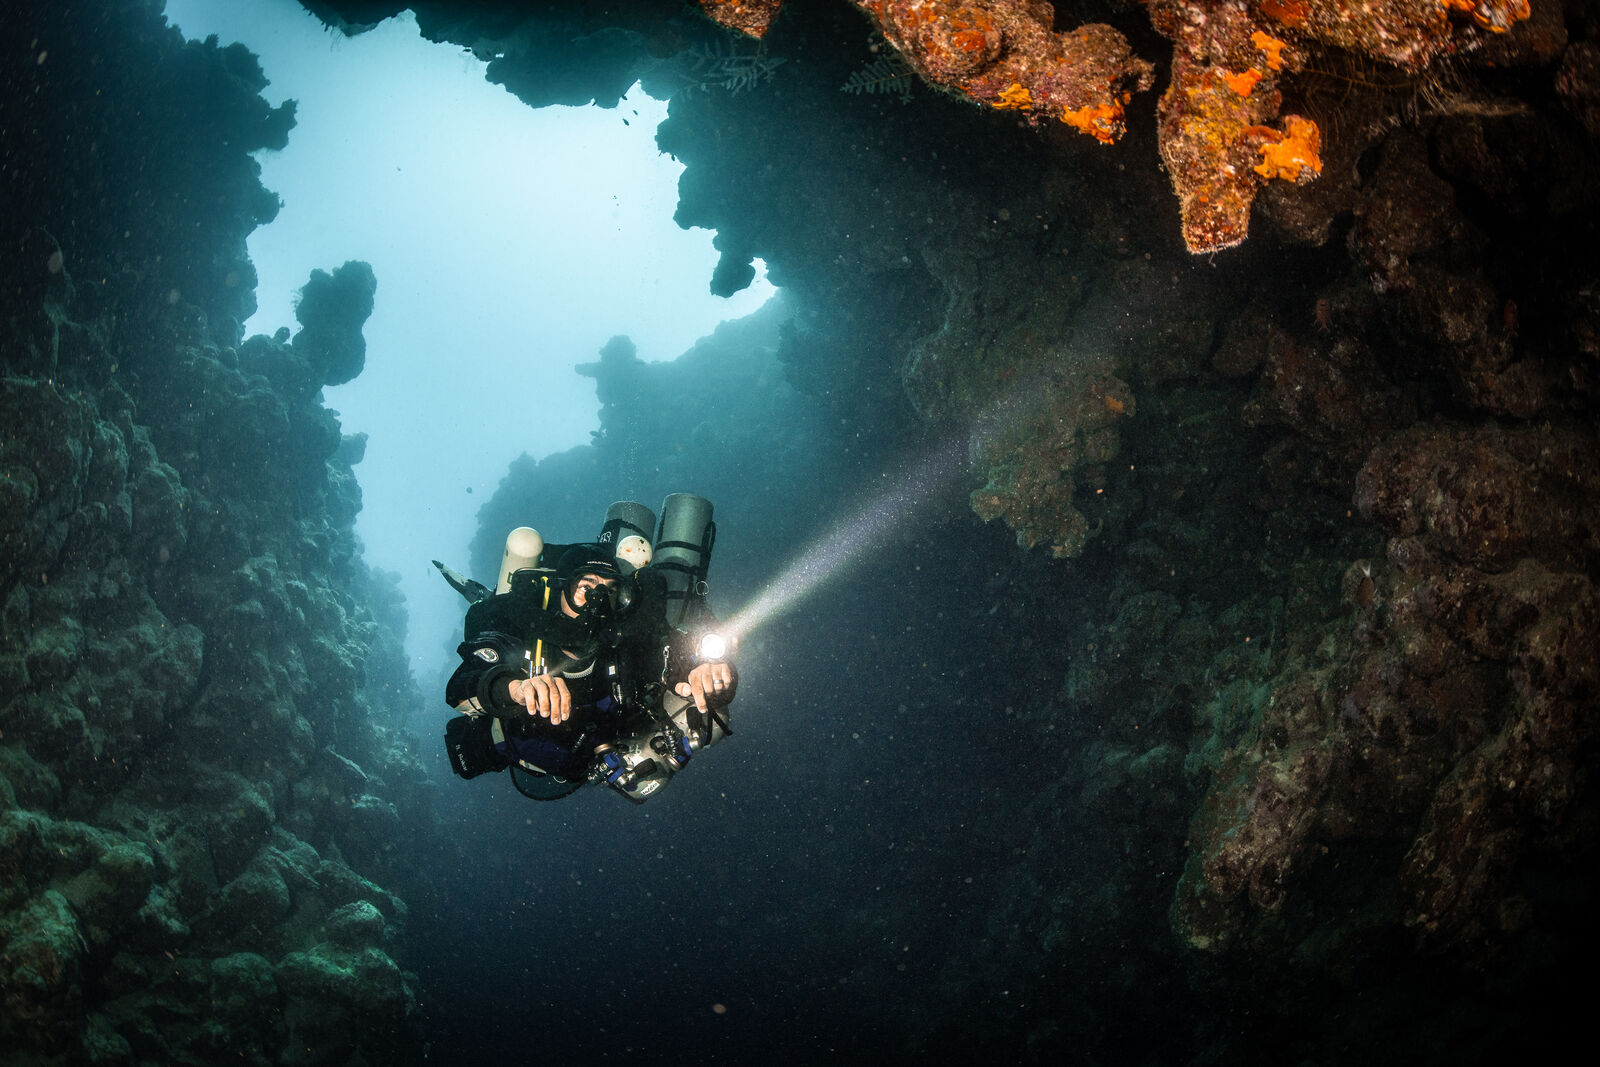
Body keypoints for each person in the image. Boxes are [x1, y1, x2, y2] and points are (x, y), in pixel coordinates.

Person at [444, 540, 736, 801]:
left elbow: (674, 653)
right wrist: (516, 688)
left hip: (611, 744)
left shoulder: (623, 639)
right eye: (586, 588)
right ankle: (484, 594)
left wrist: (705, 674)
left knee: (713, 711)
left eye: (609, 591)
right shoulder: (524, 635)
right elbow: (460, 686)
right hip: (539, 751)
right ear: (561, 590)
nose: (598, 603)